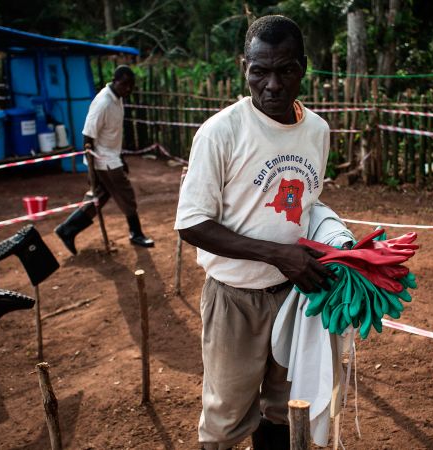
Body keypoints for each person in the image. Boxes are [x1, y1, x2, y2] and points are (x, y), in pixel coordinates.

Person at [175, 15, 334, 450]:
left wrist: (334, 245)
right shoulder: (220, 133)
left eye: (286, 70)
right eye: (259, 71)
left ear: (304, 67)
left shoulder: (316, 131)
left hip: (294, 294)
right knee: (225, 420)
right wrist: (277, 254)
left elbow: (306, 205)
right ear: (244, 66)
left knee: (284, 408)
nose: (273, 85)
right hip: (234, 298)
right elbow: (191, 222)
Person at [55, 65, 154, 254]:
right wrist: (91, 165)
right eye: (124, 84)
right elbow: (87, 135)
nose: (128, 89)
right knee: (126, 195)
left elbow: (114, 134)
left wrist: (121, 157)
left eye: (130, 86)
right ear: (115, 81)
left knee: (99, 197)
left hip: (112, 157)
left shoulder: (117, 100)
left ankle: (67, 229)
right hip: (103, 160)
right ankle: (136, 233)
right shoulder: (103, 102)